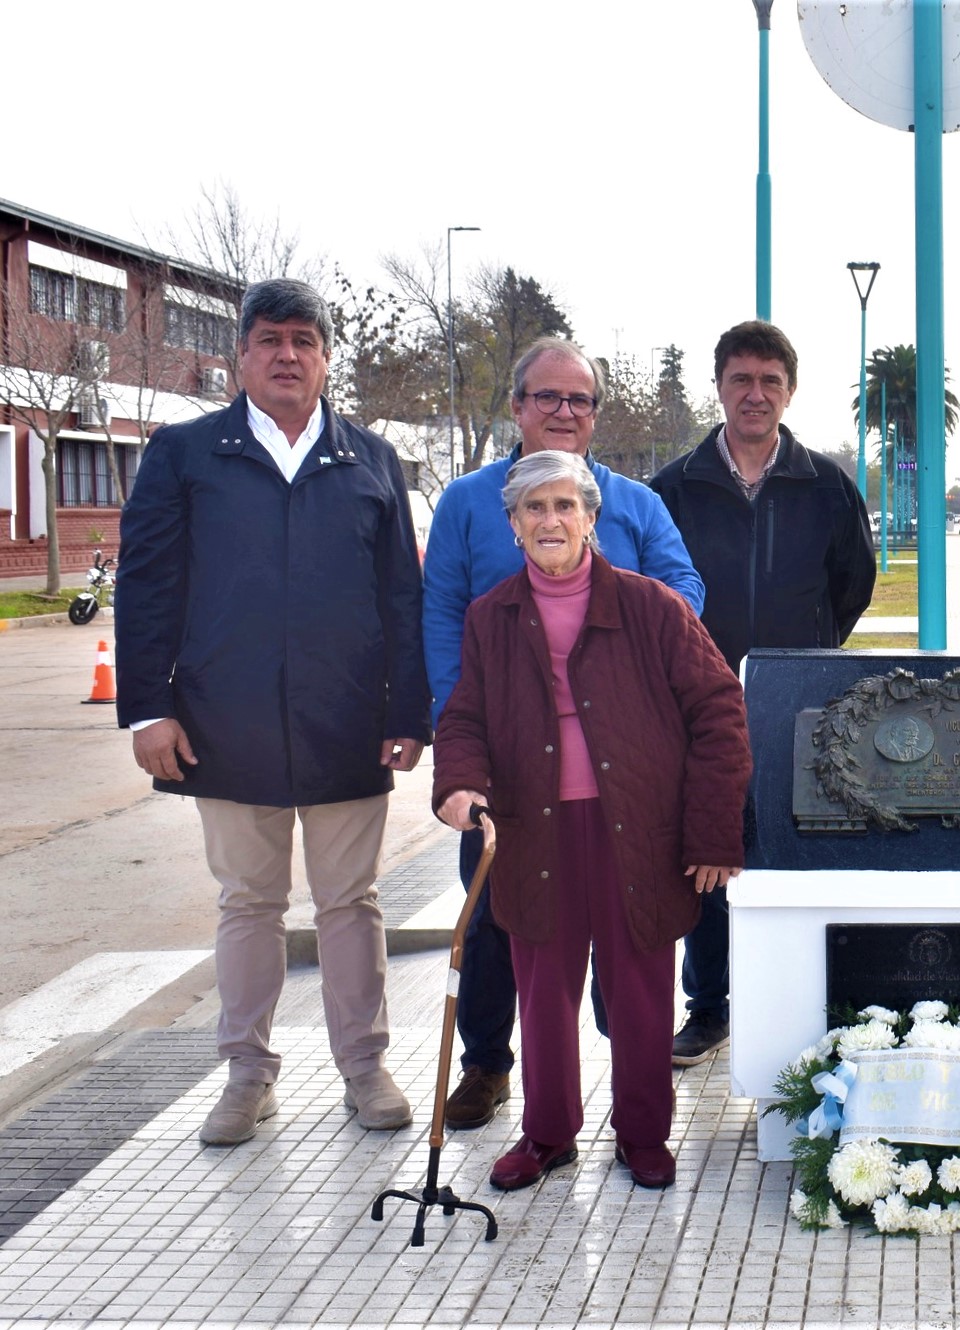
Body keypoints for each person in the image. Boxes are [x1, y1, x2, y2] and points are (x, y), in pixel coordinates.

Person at [116, 279, 428, 1145]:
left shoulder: (369, 459)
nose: (287, 355)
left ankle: (363, 1068)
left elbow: (400, 594)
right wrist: (148, 707)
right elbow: (147, 588)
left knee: (349, 902)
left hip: (346, 721)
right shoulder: (183, 455)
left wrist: (409, 710)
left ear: (326, 358)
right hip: (226, 719)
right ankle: (246, 1074)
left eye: (304, 341)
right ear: (241, 356)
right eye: (270, 340)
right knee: (248, 902)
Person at [433, 451, 751, 1190]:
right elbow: (466, 716)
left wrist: (711, 833)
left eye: (564, 506)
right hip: (532, 828)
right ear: (512, 526)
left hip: (634, 830)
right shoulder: (492, 616)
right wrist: (457, 784)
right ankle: (547, 1135)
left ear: (590, 518)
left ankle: (643, 1134)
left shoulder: (652, 607)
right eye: (533, 509)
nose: (550, 520)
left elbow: (720, 713)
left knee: (640, 993)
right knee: (543, 992)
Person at [422, 336, 703, 1131]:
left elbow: (684, 592)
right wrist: (464, 738)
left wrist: (628, 644)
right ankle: (488, 1067)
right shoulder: (467, 503)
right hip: (510, 764)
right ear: (515, 407)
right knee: (500, 922)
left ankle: (634, 1086)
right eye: (547, 397)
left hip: (618, 764)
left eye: (579, 400)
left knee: (631, 934)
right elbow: (443, 612)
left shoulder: (635, 504)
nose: (563, 412)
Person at [650, 320, 876, 1067]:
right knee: (709, 855)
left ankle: (809, 1003)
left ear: (789, 391)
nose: (754, 394)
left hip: (799, 705)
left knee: (799, 850)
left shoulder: (827, 486)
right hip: (696, 711)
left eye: (769, 382)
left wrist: (804, 657)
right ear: (719, 386)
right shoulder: (674, 489)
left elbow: (853, 587)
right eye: (741, 379)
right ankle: (708, 1006)